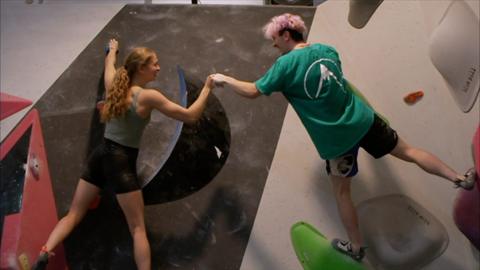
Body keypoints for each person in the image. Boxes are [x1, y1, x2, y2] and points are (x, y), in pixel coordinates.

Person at [212, 13, 476, 261]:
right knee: (409, 151)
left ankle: (357, 247)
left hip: (338, 141)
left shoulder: (284, 65)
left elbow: (252, 91)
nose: (274, 46)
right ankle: (461, 178)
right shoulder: (328, 50)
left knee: (341, 192)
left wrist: (226, 79)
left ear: (285, 34)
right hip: (364, 120)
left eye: (274, 40)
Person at [33, 39, 216, 270]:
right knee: (137, 228)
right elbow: (190, 116)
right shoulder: (148, 96)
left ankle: (45, 251)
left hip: (100, 156)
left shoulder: (114, 85)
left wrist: (112, 50)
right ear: (141, 68)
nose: (159, 68)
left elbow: (109, 65)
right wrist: (207, 87)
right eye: (155, 65)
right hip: (121, 162)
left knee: (73, 214)